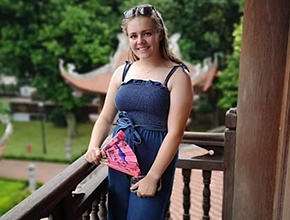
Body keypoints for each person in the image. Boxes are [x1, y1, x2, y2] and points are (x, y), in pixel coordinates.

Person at [85, 4, 193, 220]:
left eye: (147, 34)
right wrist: (93, 146)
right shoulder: (121, 72)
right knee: (117, 215)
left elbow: (175, 133)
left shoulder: (177, 75)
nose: (140, 41)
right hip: (121, 155)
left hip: (155, 158)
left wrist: (154, 175)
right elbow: (106, 117)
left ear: (159, 34)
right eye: (133, 36)